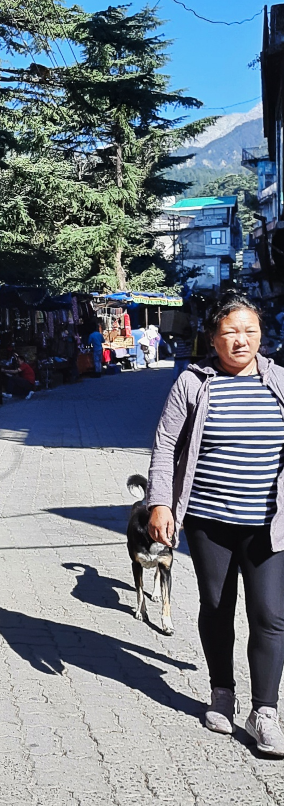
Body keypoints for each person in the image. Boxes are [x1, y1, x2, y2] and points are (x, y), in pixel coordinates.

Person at [147, 291, 284, 756]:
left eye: (250, 331)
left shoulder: (280, 382)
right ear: (213, 338)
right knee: (217, 605)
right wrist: (160, 504)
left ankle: (265, 712)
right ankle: (222, 692)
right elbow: (166, 444)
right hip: (209, 520)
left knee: (269, 614)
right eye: (231, 332)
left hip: (269, 524)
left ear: (261, 335)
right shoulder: (193, 382)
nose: (241, 340)